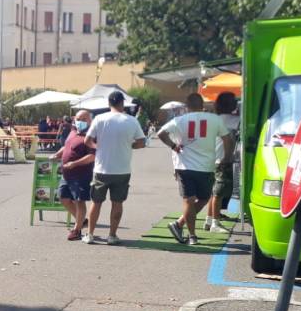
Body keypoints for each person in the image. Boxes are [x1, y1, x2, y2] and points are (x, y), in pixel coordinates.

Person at [158, 93, 234, 245]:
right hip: (206, 166)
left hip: (184, 166)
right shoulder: (215, 119)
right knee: (203, 199)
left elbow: (161, 133)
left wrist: (173, 146)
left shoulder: (179, 120)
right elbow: (228, 139)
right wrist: (226, 157)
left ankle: (184, 229)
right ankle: (187, 232)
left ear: (187, 107)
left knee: (189, 200)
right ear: (202, 105)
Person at [84, 91, 146, 245]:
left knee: (96, 202)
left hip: (101, 168)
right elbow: (141, 142)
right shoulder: (131, 121)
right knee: (117, 203)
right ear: (122, 103)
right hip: (122, 169)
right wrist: (128, 145)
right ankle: (112, 235)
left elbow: (87, 140)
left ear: (109, 103)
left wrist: (97, 146)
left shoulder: (100, 119)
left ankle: (90, 234)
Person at [51, 111, 95, 241]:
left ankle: (77, 230)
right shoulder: (73, 131)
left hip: (81, 175)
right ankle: (81, 221)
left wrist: (75, 163)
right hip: (67, 174)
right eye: (78, 118)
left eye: (84, 119)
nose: (80, 121)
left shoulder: (92, 135)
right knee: (63, 197)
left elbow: (92, 156)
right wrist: (57, 155)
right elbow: (67, 146)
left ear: (90, 121)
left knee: (79, 201)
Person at [206, 92, 240, 233]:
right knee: (219, 193)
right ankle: (215, 223)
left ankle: (209, 220)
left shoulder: (214, 119)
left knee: (213, 192)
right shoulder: (235, 120)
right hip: (224, 159)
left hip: (212, 158)